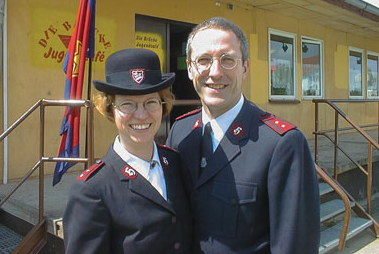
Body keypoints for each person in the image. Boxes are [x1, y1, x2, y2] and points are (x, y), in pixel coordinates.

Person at [167, 17, 320, 254]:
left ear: (245, 67)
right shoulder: (181, 132)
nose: (215, 72)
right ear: (190, 68)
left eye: (227, 60)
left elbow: (295, 245)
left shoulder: (281, 144)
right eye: (204, 60)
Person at [63, 48, 192, 253]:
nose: (141, 115)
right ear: (110, 109)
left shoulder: (176, 163)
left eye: (150, 102)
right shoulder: (92, 190)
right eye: (127, 104)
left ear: (163, 105)